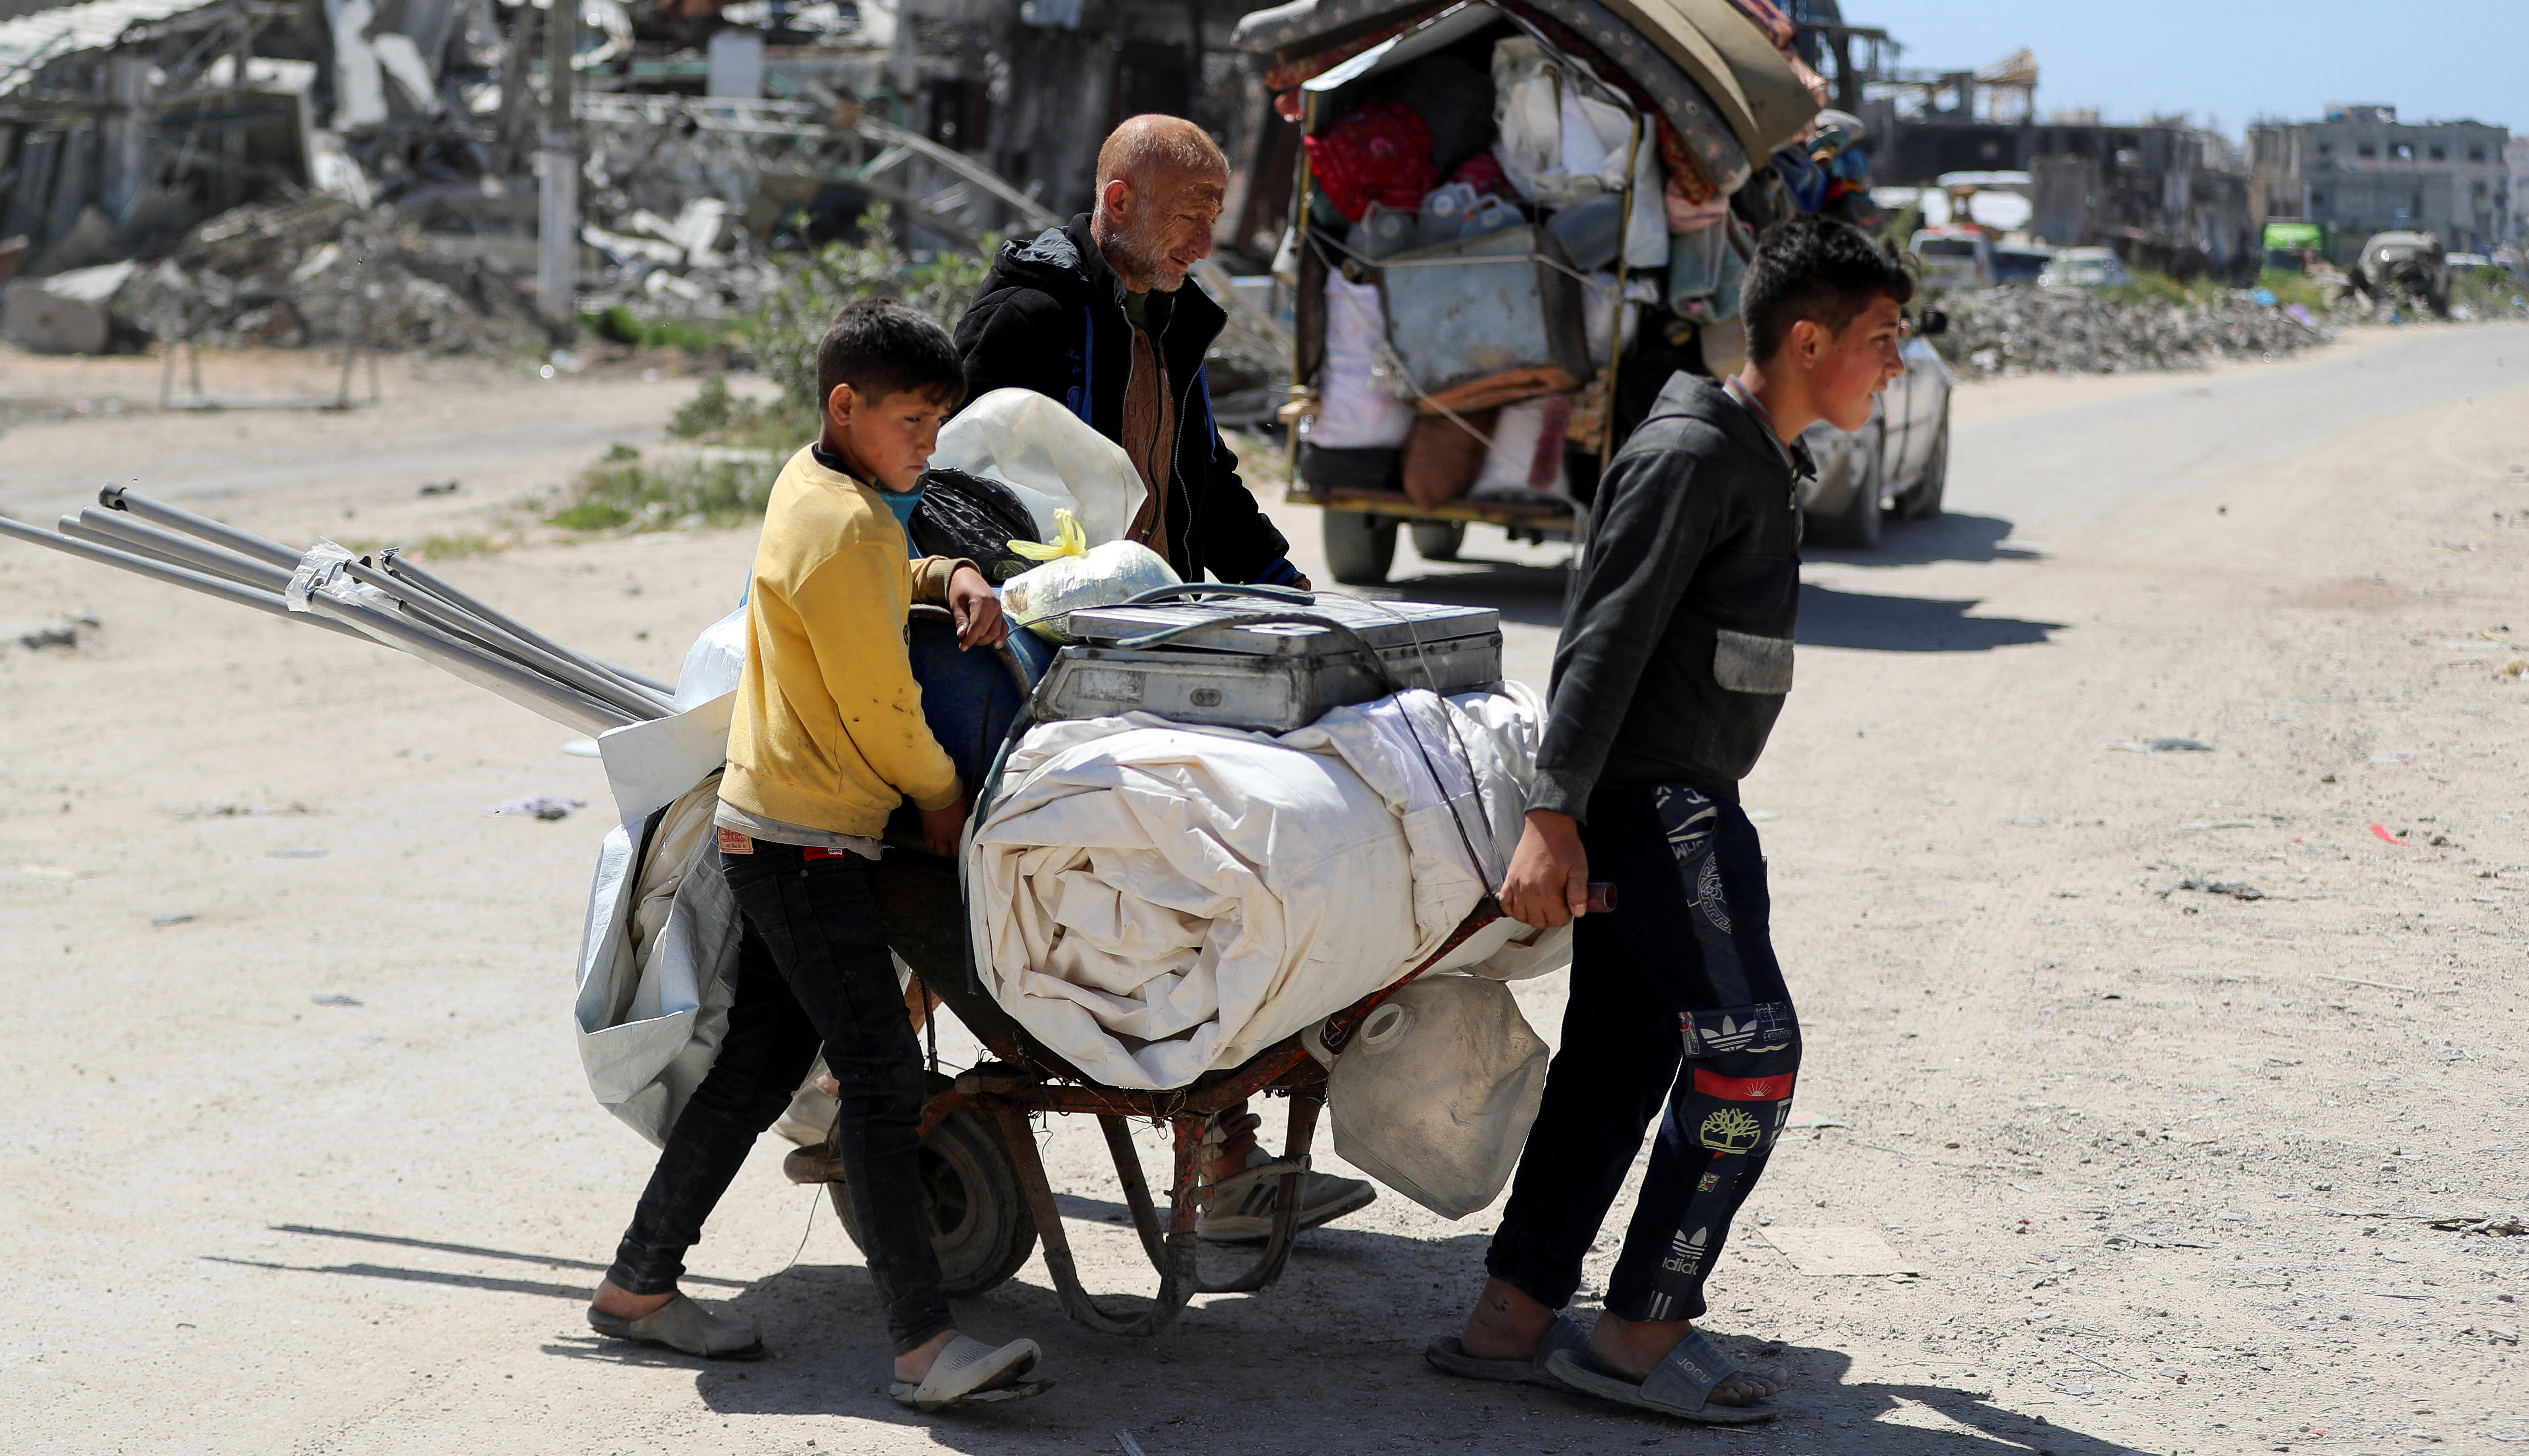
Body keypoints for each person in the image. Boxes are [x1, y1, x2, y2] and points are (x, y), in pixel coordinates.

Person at [1427, 216, 1912, 1425]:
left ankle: (1512, 1317)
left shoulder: (1755, 457)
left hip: (1675, 802)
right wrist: (1553, 813)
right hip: (1662, 810)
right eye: (1884, 338)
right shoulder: (1695, 454)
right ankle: (1639, 1335)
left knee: (1620, 1057)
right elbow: (1603, 637)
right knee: (1750, 1057)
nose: (1897, 364)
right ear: (1810, 340)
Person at [585, 298, 1052, 1412]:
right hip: (806, 845)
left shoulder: (821, 487)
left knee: (755, 1070)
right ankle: (924, 1348)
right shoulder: (847, 522)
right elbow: (882, 708)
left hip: (777, 830)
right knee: (881, 1081)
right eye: (910, 423)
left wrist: (948, 574)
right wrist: (943, 796)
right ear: (848, 406)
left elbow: (870, 585)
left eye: (938, 423)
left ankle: (638, 1286)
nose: (927, 446)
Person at [954, 113, 1377, 1244]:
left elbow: (1205, 479)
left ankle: (1223, 1154)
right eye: (1190, 215)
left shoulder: (1170, 321)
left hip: (1146, 643)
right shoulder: (1030, 319)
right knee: (1172, 882)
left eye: (1215, 217)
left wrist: (1288, 591)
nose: (1206, 240)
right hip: (1050, 655)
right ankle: (1219, 1156)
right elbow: (963, 493)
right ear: (1119, 201)